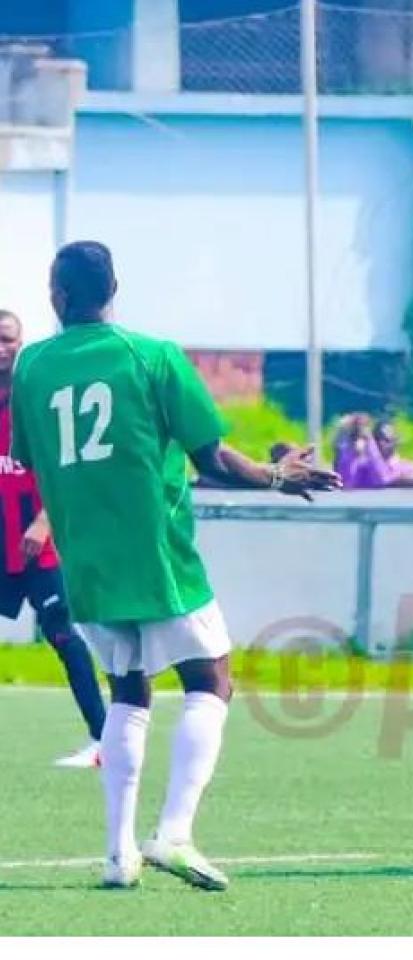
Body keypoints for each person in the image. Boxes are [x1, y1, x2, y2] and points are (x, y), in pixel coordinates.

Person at [10, 242, 341, 891]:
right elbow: (212, 457)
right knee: (211, 679)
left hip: (84, 559)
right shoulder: (152, 355)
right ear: (114, 290)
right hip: (156, 553)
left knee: (128, 691)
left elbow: (32, 455)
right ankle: (174, 832)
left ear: (58, 294)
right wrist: (276, 475)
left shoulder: (32, 367)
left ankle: (118, 855)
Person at [0, 309, 106, 768]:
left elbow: (69, 470)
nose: (0, 348)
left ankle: (103, 739)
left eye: (7, 339)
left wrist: (44, 522)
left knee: (62, 633)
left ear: (20, 344)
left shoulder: (39, 400)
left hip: (38, 543)